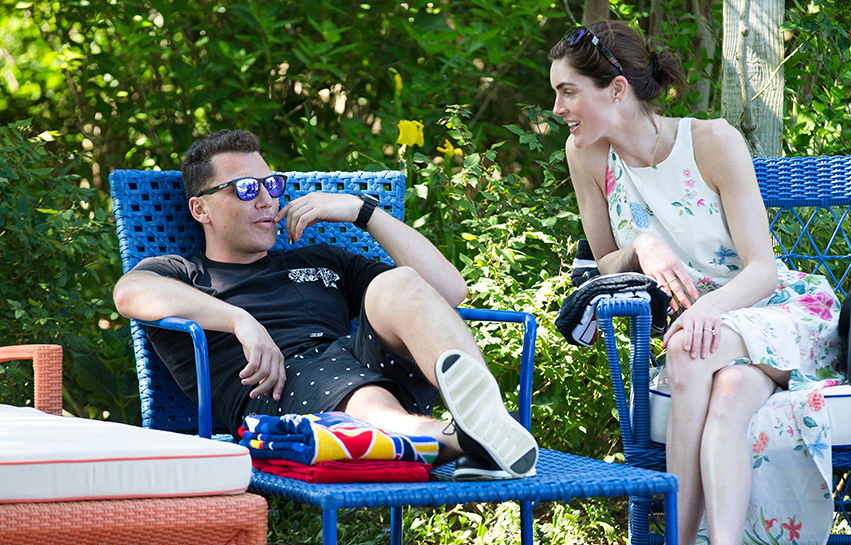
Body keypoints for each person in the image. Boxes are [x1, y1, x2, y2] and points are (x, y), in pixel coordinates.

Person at [548, 22, 843, 545]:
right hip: (713, 340)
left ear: (617, 90)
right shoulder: (587, 155)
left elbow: (762, 267)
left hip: (773, 311)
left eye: (568, 92)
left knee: (683, 350)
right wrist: (643, 243)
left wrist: (707, 309)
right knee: (727, 391)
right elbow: (604, 261)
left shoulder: (711, 141)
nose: (558, 110)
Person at [113, 129, 538, 481]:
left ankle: (486, 424)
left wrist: (363, 212)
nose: (265, 200)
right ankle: (462, 443)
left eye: (271, 185)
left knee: (403, 283)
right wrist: (240, 320)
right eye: (244, 189)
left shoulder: (318, 258)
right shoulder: (184, 273)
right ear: (200, 208)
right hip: (276, 395)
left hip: (358, 364)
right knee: (359, 393)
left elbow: (449, 291)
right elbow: (129, 293)